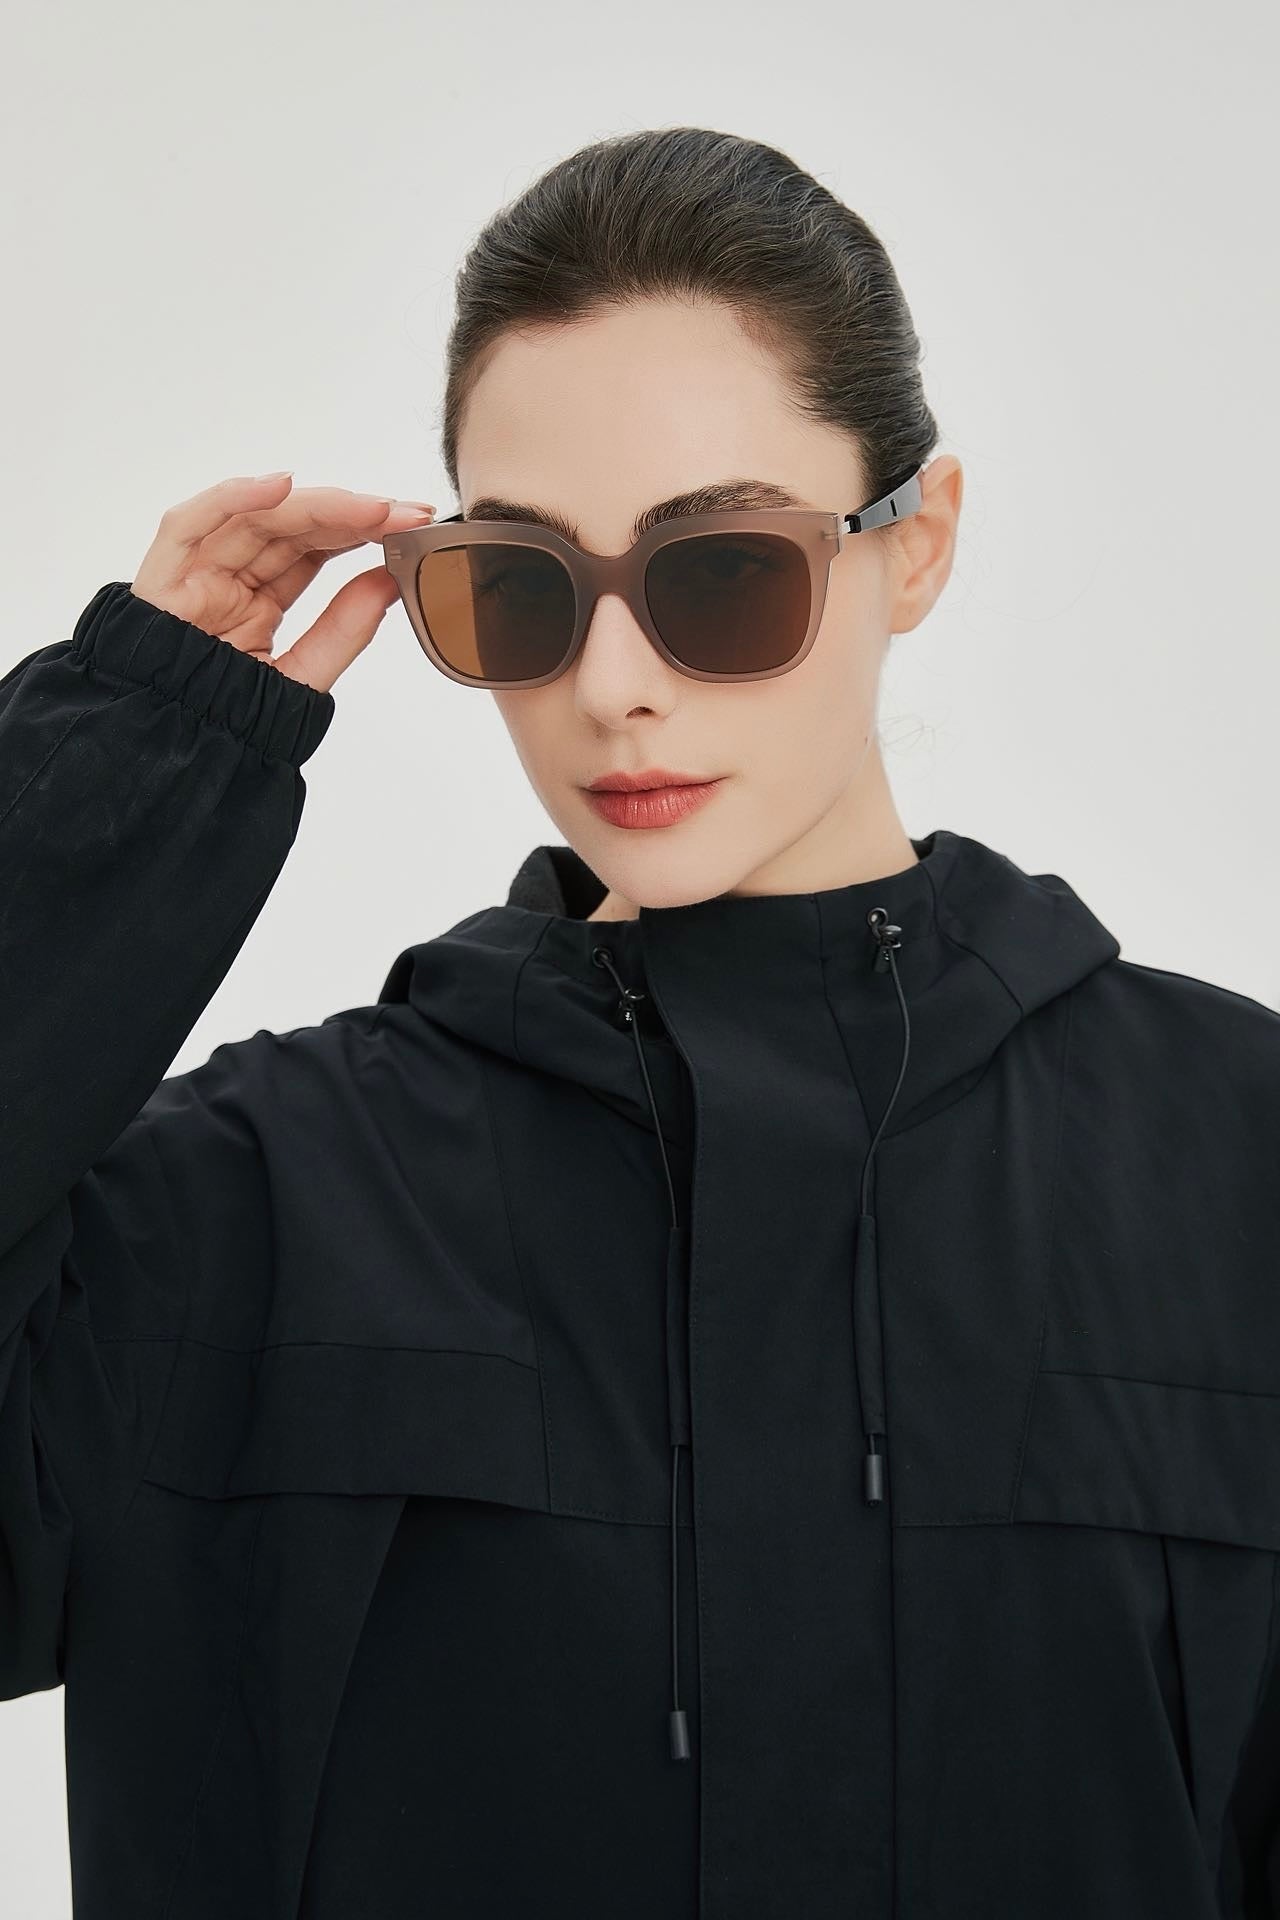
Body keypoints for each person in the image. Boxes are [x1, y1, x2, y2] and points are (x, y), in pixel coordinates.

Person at [2, 124, 1277, 1920]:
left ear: (916, 548)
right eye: (521, 586)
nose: (613, 687)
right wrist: (110, 785)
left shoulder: (1237, 1159)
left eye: (724, 571)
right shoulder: (250, 1204)